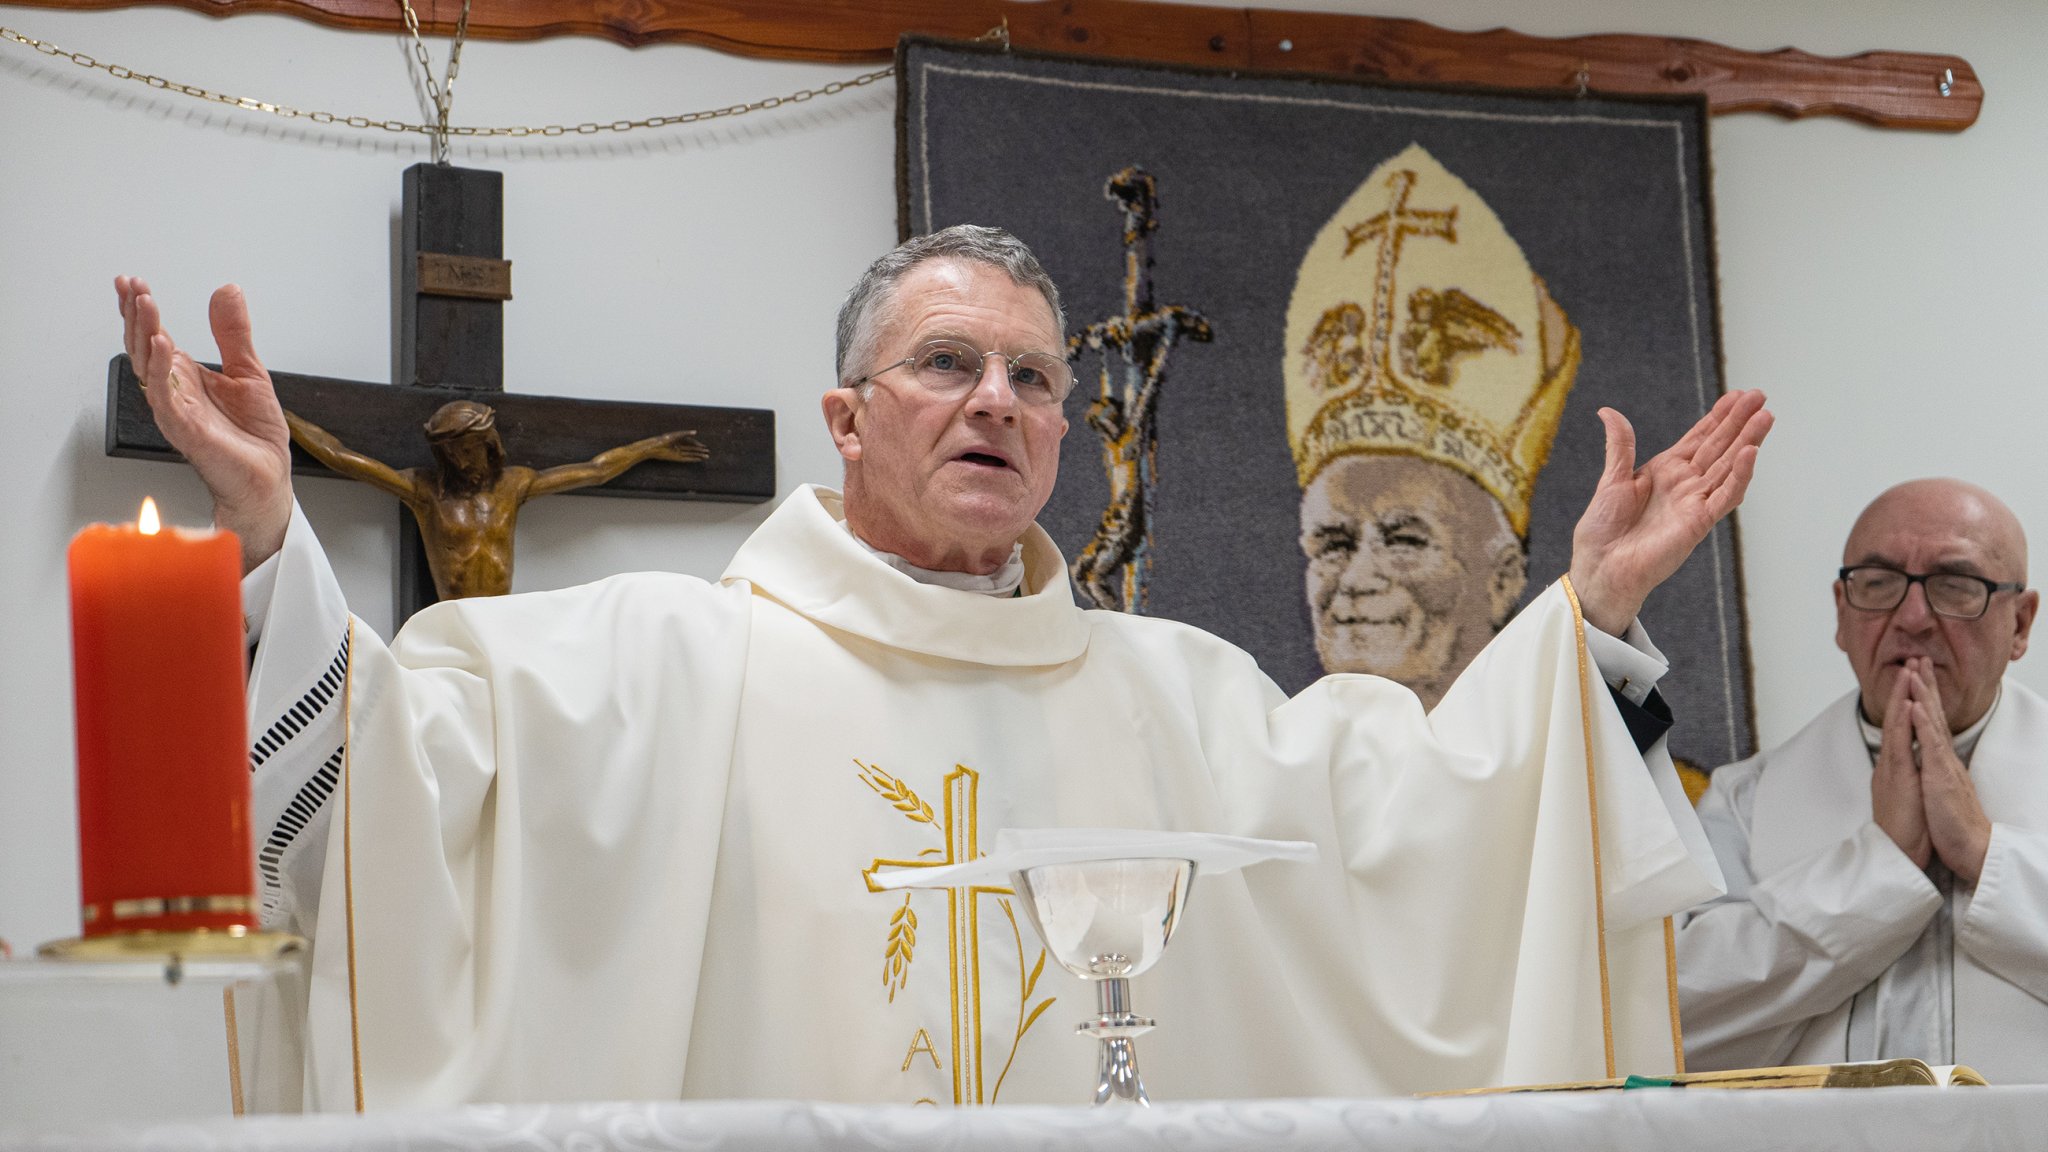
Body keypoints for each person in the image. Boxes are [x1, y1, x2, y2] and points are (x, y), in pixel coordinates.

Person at [112, 226, 1768, 1111]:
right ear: (845, 418)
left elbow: (1438, 827)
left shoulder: (1182, 697)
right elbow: (387, 787)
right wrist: (268, 529)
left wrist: (1586, 619)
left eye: (1033, 379)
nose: (996, 401)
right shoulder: (654, 667)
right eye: (946, 363)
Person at [1677, 479, 2048, 1081]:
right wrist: (1877, 869)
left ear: (2021, 624)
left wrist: (1987, 856)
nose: (1913, 618)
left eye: (1955, 585)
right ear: (1842, 613)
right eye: (1877, 584)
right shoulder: (1746, 802)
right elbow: (1674, 1023)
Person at [1283, 143, 1581, 708]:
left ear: (1503, 579)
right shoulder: (1256, 757)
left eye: (1404, 539)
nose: (1356, 580)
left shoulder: (1572, 753)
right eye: (1333, 544)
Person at [284, 401, 708, 601]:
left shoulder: (513, 486)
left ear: (489, 445)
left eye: (468, 450)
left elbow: (595, 469)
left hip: (505, 621)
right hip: (451, 624)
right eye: (451, 453)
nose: (460, 461)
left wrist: (651, 447)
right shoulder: (425, 492)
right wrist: (278, 413)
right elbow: (340, 455)